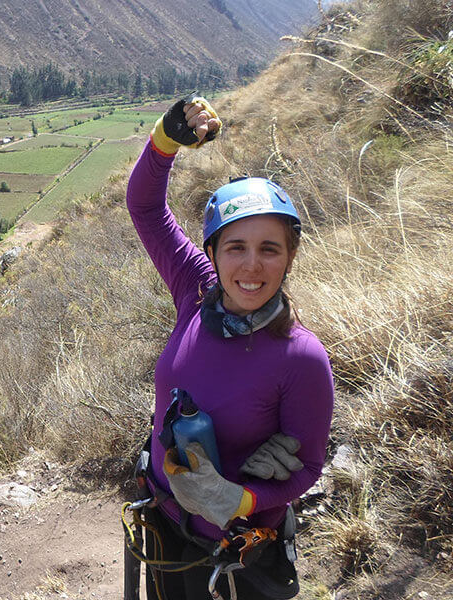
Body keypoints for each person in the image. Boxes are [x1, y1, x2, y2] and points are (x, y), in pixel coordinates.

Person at [125, 97, 334, 599]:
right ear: (213, 253)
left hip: (237, 556)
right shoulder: (195, 291)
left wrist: (239, 499)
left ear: (290, 258)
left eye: (270, 249)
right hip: (165, 524)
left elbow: (305, 468)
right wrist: (165, 140)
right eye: (236, 247)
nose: (251, 267)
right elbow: (145, 207)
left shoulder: (301, 358)